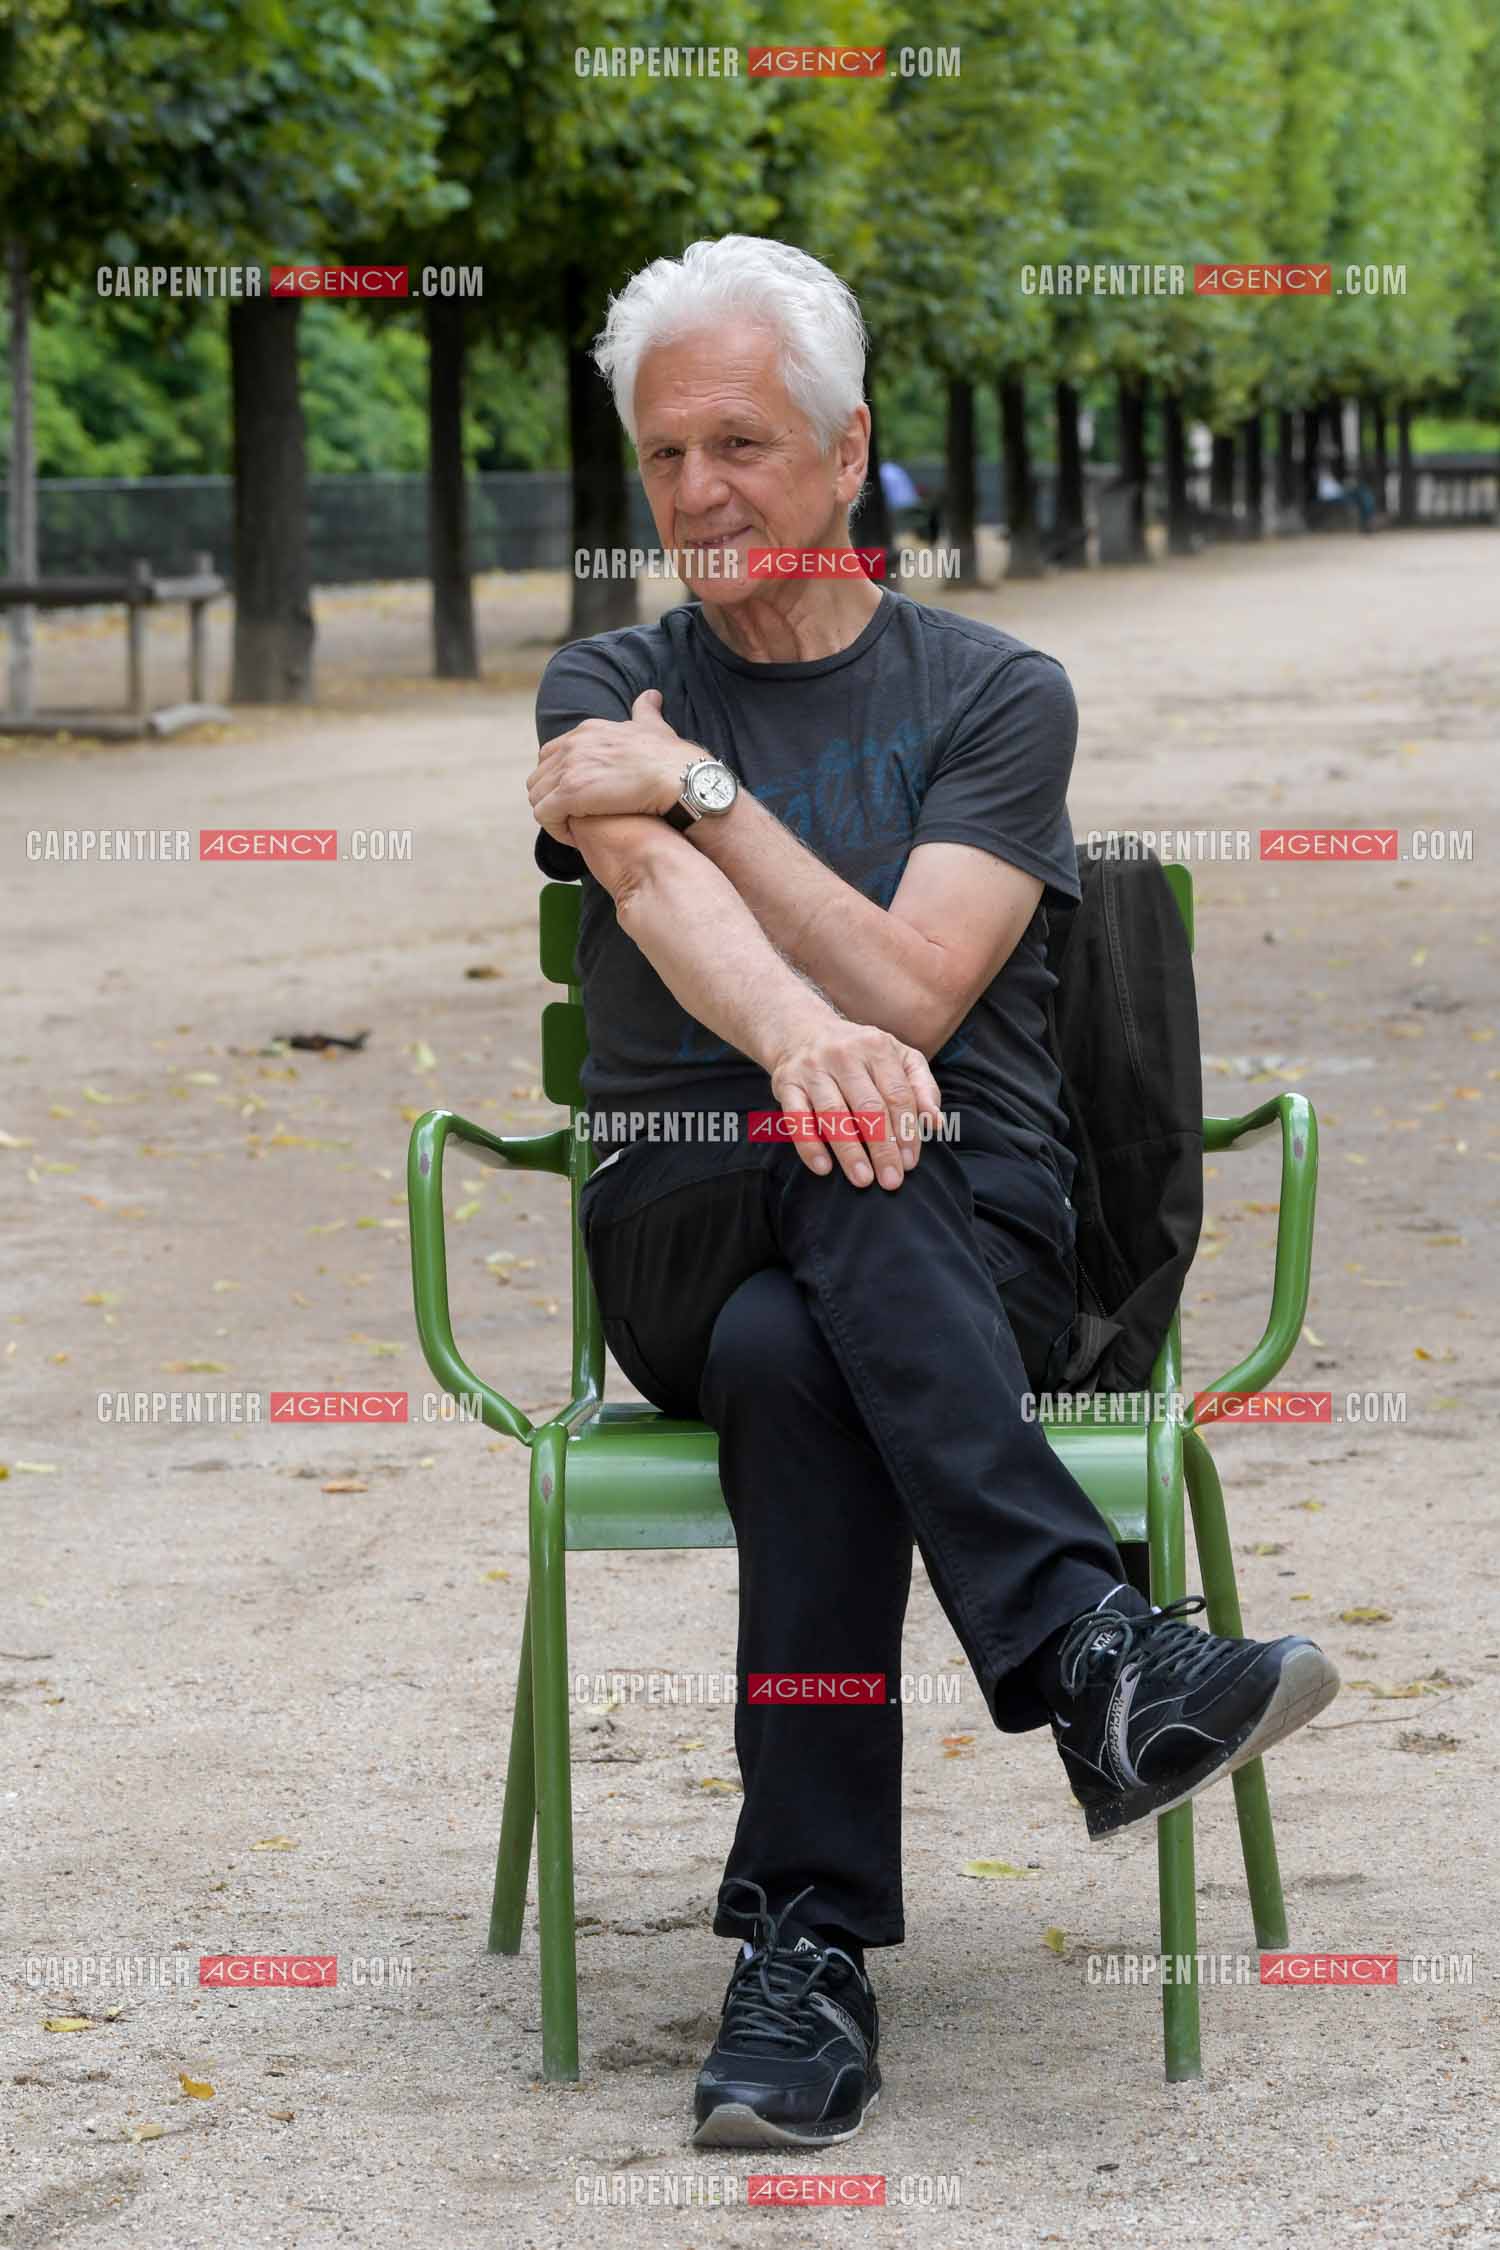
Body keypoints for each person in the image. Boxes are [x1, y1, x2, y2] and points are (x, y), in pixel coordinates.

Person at [525, 234, 1340, 2150]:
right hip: (676, 1203)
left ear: (845, 450)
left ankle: (801, 1952)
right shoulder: (605, 681)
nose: (699, 495)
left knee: (803, 1339)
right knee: (826, 1153)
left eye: (738, 443)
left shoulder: (998, 693)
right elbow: (649, 895)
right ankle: (1091, 1651)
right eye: (663, 458)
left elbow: (910, 989)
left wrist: (711, 799)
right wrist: (797, 1045)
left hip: (965, 1244)